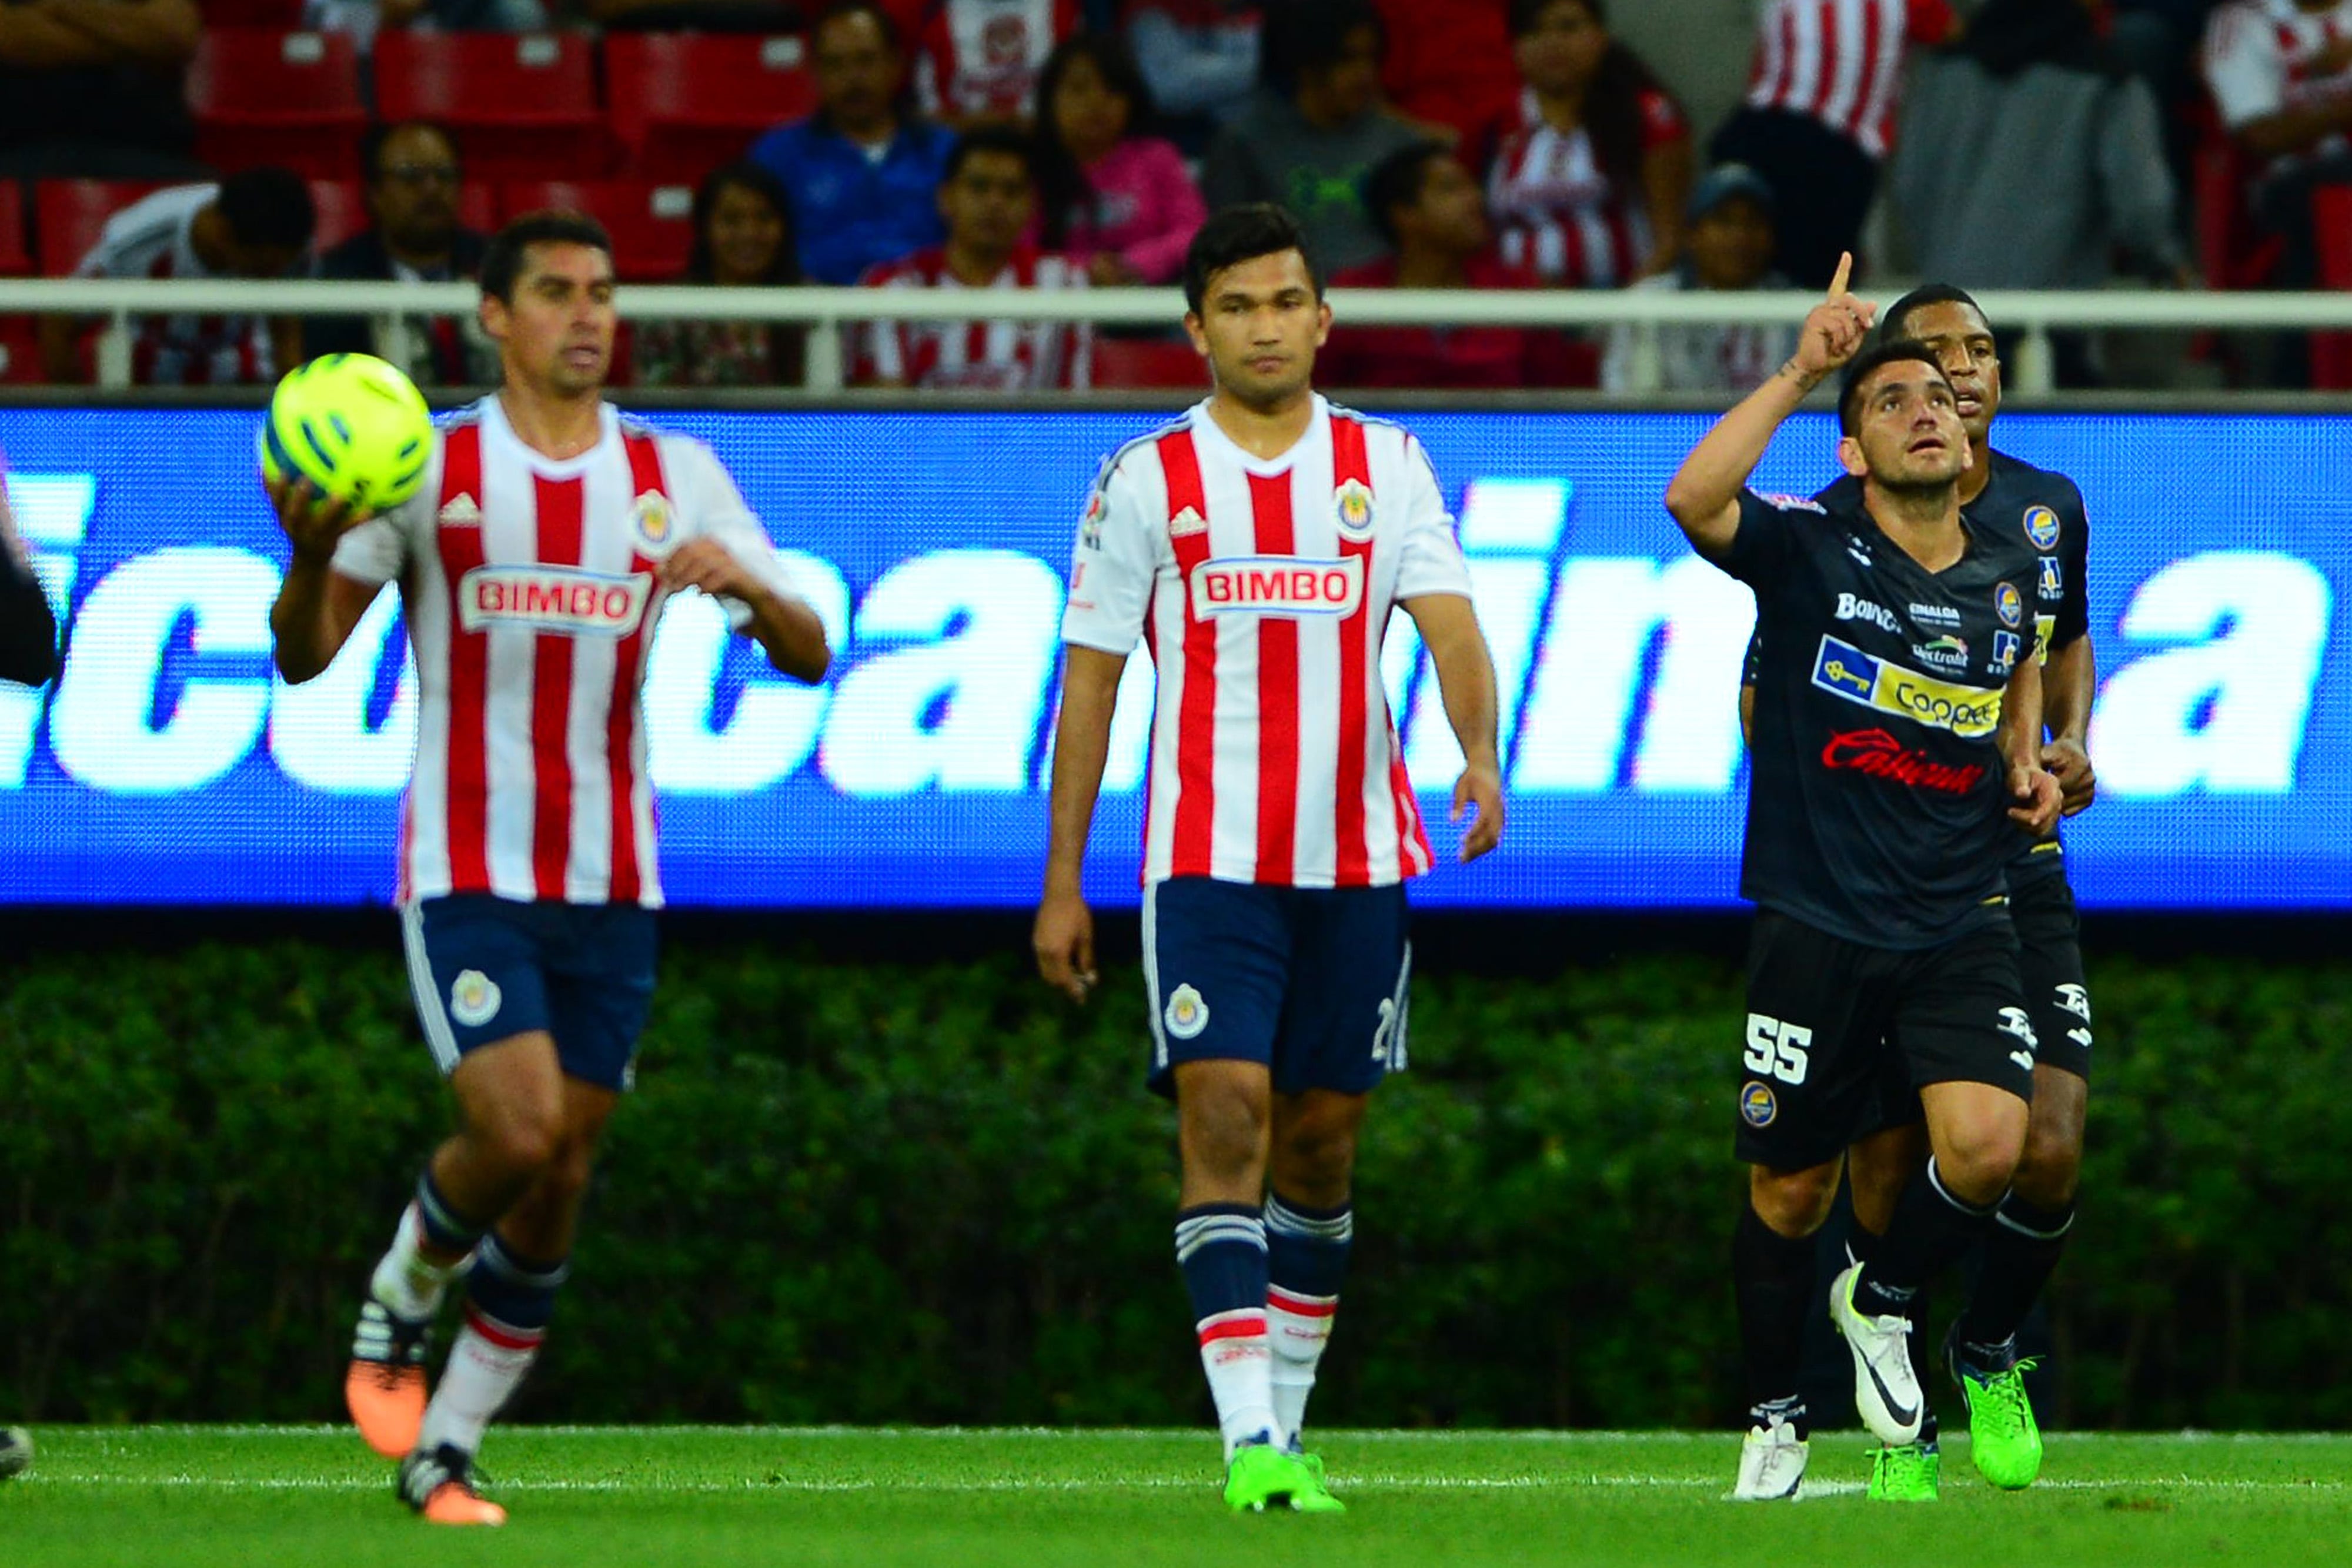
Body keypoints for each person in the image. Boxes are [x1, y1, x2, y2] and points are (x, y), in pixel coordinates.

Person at [268, 211, 831, 1526]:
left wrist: (749, 594)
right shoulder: (427, 464)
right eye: (556, 291)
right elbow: (305, 654)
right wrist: (306, 547)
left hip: (615, 876)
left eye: (601, 291)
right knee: (514, 1129)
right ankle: (404, 1287)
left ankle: (444, 1448)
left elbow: (809, 650)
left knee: (564, 1167)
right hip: (467, 864)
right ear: (492, 314)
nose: (586, 314)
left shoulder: (673, 469)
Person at [1033, 203, 1506, 1512]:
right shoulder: (1143, 478)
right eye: (1235, 305)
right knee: (1224, 1110)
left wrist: (1479, 751)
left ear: (1320, 318)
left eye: (1284, 301)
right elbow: (1090, 681)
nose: (1262, 326)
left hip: (1357, 860)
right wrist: (1062, 875)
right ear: (1195, 327)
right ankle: (1248, 1439)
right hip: (1206, 863)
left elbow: (1452, 626)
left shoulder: (1386, 460)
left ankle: (1283, 1432)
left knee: (1322, 1144)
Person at [1662, 258, 2060, 1505]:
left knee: (1993, 1147)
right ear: (1848, 444)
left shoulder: (2004, 569)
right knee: (1788, 1187)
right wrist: (1795, 368)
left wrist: (2026, 764)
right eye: (1890, 399)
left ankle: (1879, 1296)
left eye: (1938, 392)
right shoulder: (1806, 549)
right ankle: (1773, 1414)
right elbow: (1689, 495)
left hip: (1958, 914)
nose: (1928, 406)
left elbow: (2016, 673)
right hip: (1817, 919)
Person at [1895, 0, 2189, 387]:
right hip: (2050, 331)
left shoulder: (1941, 69)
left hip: (1945, 324)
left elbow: (1909, 185)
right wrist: (2165, 261)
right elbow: (2141, 208)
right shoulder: (2107, 78)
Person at [1323, 142, 1581, 389]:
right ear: (1405, 215)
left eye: (1472, 187)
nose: (1475, 199)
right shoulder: (1354, 296)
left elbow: (1556, 404)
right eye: (1451, 189)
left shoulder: (1519, 292)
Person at [1201, 1, 1428, 273]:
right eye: (1347, 59)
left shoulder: (1404, 144)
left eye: (1372, 58)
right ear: (1306, 65)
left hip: (1385, 308)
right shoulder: (1243, 144)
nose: (1365, 74)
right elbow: (1225, 252)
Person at [857, 127, 1092, 390]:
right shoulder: (893, 287)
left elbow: (1075, 407)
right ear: (946, 198)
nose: (995, 203)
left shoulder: (1064, 282)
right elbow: (886, 413)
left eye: (1011, 191)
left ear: (1031, 205)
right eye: (979, 187)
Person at [1482, 0, 1691, 289]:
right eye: (1534, 32)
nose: (1552, 43)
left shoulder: (1648, 115)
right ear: (1514, 48)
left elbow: (1671, 237)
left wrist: (1621, 310)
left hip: (1625, 301)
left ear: (1601, 37)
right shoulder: (1495, 124)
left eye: (1568, 28)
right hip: (1520, 309)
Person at [39, 169, 315, 386]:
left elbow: (286, 334)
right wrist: (80, 418)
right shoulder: (139, 240)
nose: (270, 277)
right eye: (261, 269)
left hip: (243, 395)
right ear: (224, 236)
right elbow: (60, 323)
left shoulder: (288, 244)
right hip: (145, 400)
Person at [748, 0, 958, 285]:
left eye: (865, 60)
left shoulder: (946, 152)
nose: (852, 79)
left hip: (927, 316)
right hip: (817, 317)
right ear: (815, 73)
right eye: (836, 64)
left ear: (896, 65)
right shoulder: (777, 157)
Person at [308, 122, 495, 386]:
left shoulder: (496, 264)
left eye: (443, 174)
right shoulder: (340, 278)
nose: (431, 189)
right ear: (374, 193)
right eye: (411, 176)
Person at [1601, 163, 1796, 395]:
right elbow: (1624, 401)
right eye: (1724, 221)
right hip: (1678, 431)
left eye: (1752, 222)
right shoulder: (1648, 302)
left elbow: (1821, 409)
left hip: (1779, 431)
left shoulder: (1797, 310)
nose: (1739, 236)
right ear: (1692, 235)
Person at [1033, 33, 1207, 286]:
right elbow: (1016, 247)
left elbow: (1194, 233)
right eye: (1079, 89)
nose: (1096, 103)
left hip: (1150, 300)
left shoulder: (1158, 158)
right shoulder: (1030, 167)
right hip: (1056, 304)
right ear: (1049, 100)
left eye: (1112, 90)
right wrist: (1083, 269)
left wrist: (1135, 264)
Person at [2201, 0, 2352, 290]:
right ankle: (2305, 330)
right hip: (2290, 181)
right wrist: (2342, 111)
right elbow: (2259, 135)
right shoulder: (2242, 21)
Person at [635, 162, 807, 389]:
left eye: (764, 218)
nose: (749, 233)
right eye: (731, 220)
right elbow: (654, 411)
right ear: (705, 228)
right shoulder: (668, 314)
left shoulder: (813, 309)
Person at [0, 0, 203, 180]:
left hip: (151, 151)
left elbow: (174, 35)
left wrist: (57, 5)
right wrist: (131, 43)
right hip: (24, 150)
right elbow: (11, 38)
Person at [907, 0, 1081, 125]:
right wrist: (978, 126)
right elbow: (928, 117)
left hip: (1048, 145)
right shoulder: (938, 20)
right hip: (964, 155)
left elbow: (1079, 96)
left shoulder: (1062, 10)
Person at [1121, 0, 1262, 147]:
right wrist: (1265, 69)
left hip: (1252, 138)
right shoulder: (1147, 12)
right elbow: (1172, 86)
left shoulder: (1247, 9)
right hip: (1178, 146)